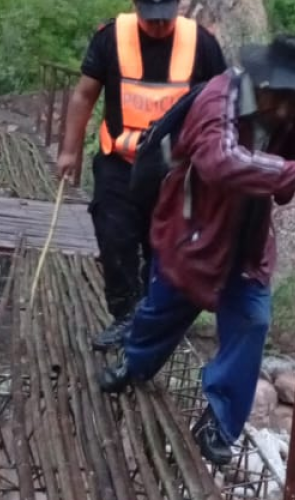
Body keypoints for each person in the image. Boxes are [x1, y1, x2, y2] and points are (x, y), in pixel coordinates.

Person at [98, 34, 295, 466]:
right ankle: (134, 364)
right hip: (194, 228)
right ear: (263, 81)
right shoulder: (218, 99)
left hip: (247, 237)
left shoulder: (293, 105)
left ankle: (218, 423)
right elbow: (220, 160)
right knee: (164, 307)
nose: (288, 109)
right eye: (281, 97)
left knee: (252, 321)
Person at [57, 0, 228, 351]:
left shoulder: (203, 45)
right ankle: (124, 314)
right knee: (114, 235)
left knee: (162, 246)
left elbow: (221, 106)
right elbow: (84, 94)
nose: (159, 26)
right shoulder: (110, 37)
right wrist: (69, 151)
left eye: (165, 18)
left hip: (175, 172)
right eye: (151, 19)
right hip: (119, 161)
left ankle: (150, 321)